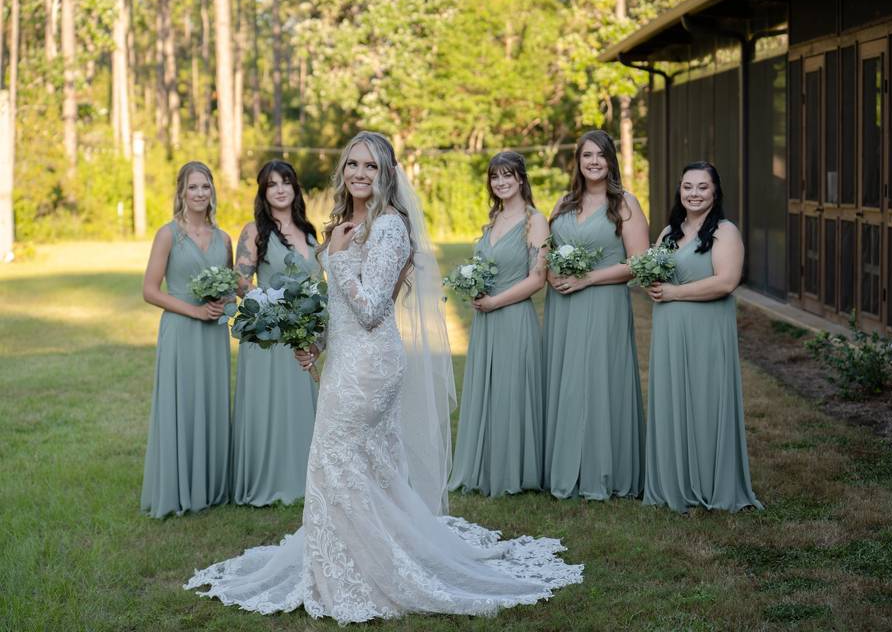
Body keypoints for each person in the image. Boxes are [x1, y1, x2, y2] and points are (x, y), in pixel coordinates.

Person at [185, 132, 582, 623]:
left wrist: (339, 258)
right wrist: (316, 344)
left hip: (373, 365)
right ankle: (350, 560)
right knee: (363, 468)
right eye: (352, 164)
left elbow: (374, 309)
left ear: (386, 173)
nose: (359, 174)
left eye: (370, 167)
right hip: (345, 360)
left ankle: (367, 571)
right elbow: (341, 308)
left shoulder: (390, 227)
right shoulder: (345, 224)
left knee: (334, 458)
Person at [643, 161, 763, 513]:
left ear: (715, 192)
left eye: (702, 187)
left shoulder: (725, 232)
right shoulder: (667, 233)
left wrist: (673, 293)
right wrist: (653, 286)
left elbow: (726, 282)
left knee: (706, 399)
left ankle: (712, 481)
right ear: (679, 190)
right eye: (687, 187)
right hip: (669, 329)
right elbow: (657, 274)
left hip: (707, 328)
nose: (694, 194)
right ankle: (672, 482)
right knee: (672, 399)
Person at [542, 129, 649, 500]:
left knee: (601, 380)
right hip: (564, 305)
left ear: (610, 160)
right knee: (567, 379)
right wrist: (553, 273)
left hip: (604, 302)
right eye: (586, 155)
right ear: (578, 161)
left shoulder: (625, 205)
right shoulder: (562, 203)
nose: (593, 162)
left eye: (600, 155)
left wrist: (587, 279)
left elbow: (638, 264)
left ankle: (605, 469)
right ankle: (563, 467)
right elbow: (545, 249)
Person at [448, 151, 549, 497]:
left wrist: (495, 301)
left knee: (512, 391)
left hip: (513, 316)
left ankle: (515, 470)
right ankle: (485, 466)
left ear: (521, 179)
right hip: (485, 321)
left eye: (508, 175)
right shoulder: (492, 220)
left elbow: (537, 279)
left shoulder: (535, 221)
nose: (501, 182)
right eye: (495, 177)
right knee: (488, 391)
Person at [141, 161, 232, 518]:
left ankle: (210, 488)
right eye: (192, 188)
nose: (199, 194)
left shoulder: (223, 238)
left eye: (205, 187)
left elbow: (229, 288)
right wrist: (193, 311)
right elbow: (149, 291)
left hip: (214, 335)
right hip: (181, 330)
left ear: (213, 192)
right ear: (181, 192)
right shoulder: (168, 234)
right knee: (182, 403)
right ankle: (179, 488)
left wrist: (224, 303)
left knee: (210, 402)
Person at [231, 160, 320, 506]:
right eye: (272, 184)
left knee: (299, 406)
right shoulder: (254, 231)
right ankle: (268, 480)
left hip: (300, 335)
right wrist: (270, 305)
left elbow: (318, 284)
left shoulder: (309, 233)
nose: (280, 189)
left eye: (286, 182)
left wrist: (314, 331)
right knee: (268, 409)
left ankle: (303, 478)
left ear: (295, 188)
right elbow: (240, 280)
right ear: (263, 192)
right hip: (268, 336)